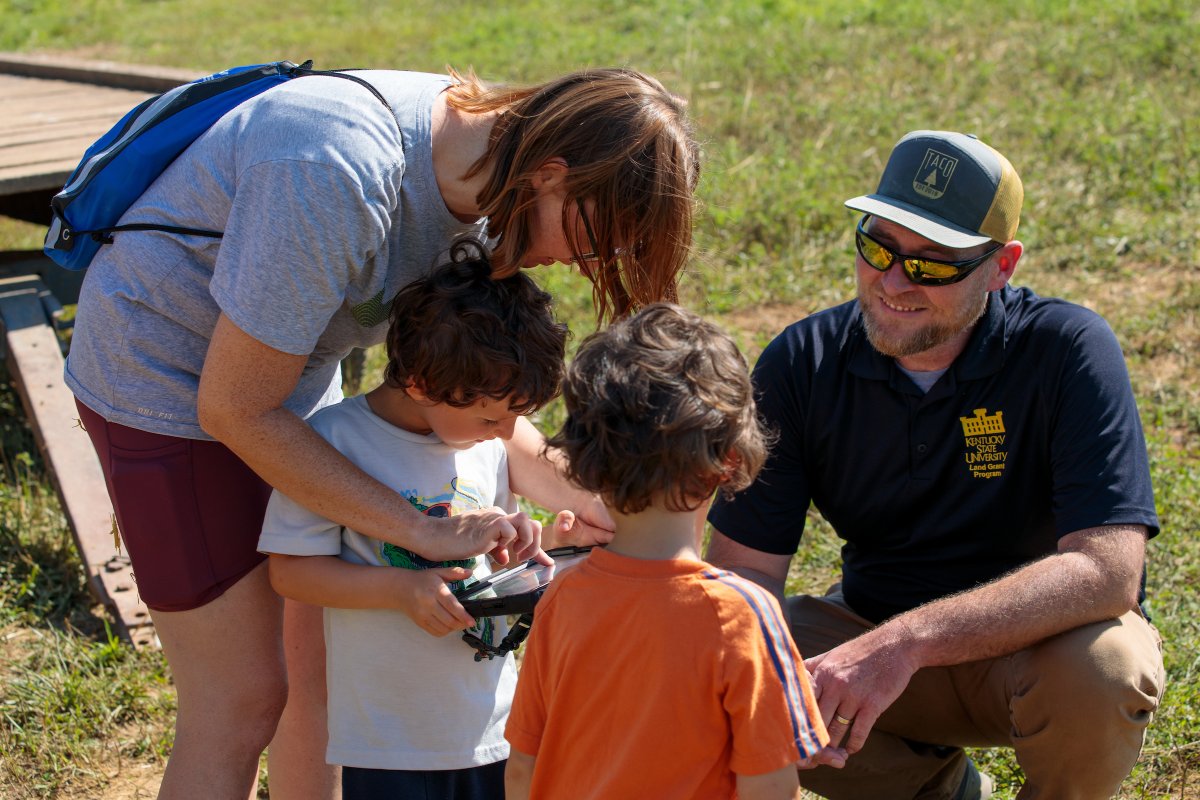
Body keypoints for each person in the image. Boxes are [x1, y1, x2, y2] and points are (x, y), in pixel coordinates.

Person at [67, 65, 698, 800]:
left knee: (317, 680)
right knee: (240, 701)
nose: (583, 264)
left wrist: (594, 497)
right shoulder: (333, 169)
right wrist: (416, 528)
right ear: (552, 172)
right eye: (597, 240)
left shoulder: (505, 177)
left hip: (286, 373)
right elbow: (236, 409)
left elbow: (476, 404)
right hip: (160, 378)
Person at [706, 130, 1165, 800]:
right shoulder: (803, 362)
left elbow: (1108, 571)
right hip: (870, 630)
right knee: (719, 659)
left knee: (1107, 666)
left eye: (934, 265)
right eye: (877, 247)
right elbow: (744, 576)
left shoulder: (1067, 349)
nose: (894, 283)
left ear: (1002, 266)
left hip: (1038, 652)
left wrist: (905, 644)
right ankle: (938, 792)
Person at [258, 240, 566, 799]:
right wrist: (401, 590)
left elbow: (485, 552)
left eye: (516, 418)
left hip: (492, 724)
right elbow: (290, 573)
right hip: (388, 738)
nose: (504, 434)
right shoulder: (333, 444)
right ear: (422, 384)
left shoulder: (481, 441)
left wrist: (515, 545)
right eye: (491, 416)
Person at [505, 303, 845, 800]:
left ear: (585, 462)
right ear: (728, 461)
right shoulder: (743, 615)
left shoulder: (559, 598)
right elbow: (769, 787)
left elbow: (522, 769)